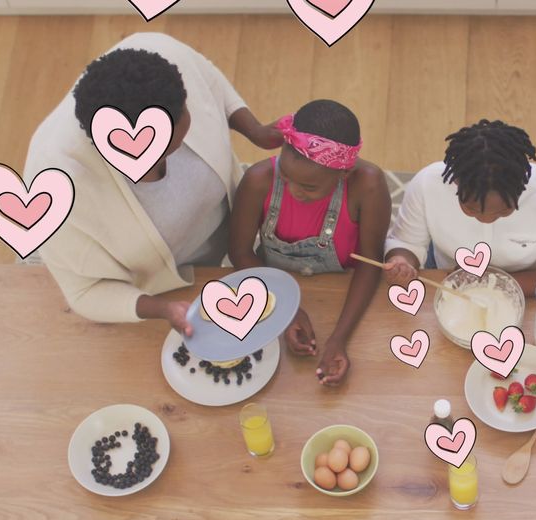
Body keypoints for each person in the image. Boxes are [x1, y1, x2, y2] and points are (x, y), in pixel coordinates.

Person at [24, 33, 284, 336]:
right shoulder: (56, 187)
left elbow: (208, 79)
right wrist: (162, 309)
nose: (191, 113)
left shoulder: (158, 54)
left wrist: (254, 130)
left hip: (232, 240)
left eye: (185, 108)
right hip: (160, 288)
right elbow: (84, 291)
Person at [229, 100, 390, 386]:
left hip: (343, 292)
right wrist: (284, 309)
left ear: (344, 173)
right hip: (273, 287)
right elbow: (239, 253)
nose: (294, 191)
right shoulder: (258, 180)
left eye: (309, 187)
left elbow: (370, 263)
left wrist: (338, 338)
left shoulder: (369, 186)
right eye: (285, 177)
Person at [384, 119, 536, 298]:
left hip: (530, 282)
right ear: (456, 183)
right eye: (471, 209)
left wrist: (494, 284)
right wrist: (402, 262)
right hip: (447, 276)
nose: (486, 219)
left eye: (503, 211)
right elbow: (406, 243)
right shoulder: (426, 185)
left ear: (521, 188)